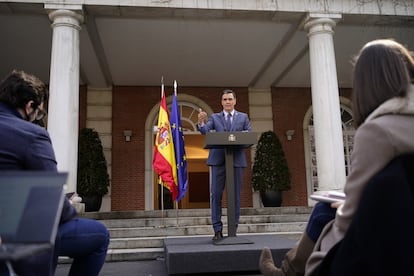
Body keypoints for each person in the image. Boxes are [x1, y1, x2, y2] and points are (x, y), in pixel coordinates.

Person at [259, 38, 414, 276]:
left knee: (324, 209)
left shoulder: (378, 130)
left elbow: (351, 212)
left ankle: (288, 272)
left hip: (382, 236)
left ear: (366, 83)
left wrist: (348, 206)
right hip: (400, 218)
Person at [0, 70, 110, 276]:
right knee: (99, 236)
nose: (37, 119)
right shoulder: (32, 135)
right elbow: (51, 199)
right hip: (19, 234)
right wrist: (67, 207)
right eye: (40, 113)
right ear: (29, 106)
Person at [197, 89, 251, 241]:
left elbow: (249, 133)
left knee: (235, 196)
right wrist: (201, 121)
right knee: (216, 194)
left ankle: (233, 229)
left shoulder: (243, 117)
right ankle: (217, 230)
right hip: (218, 160)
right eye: (225, 99)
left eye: (230, 99)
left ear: (235, 101)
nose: (227, 102)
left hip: (236, 160)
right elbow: (205, 131)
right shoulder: (214, 117)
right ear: (221, 102)